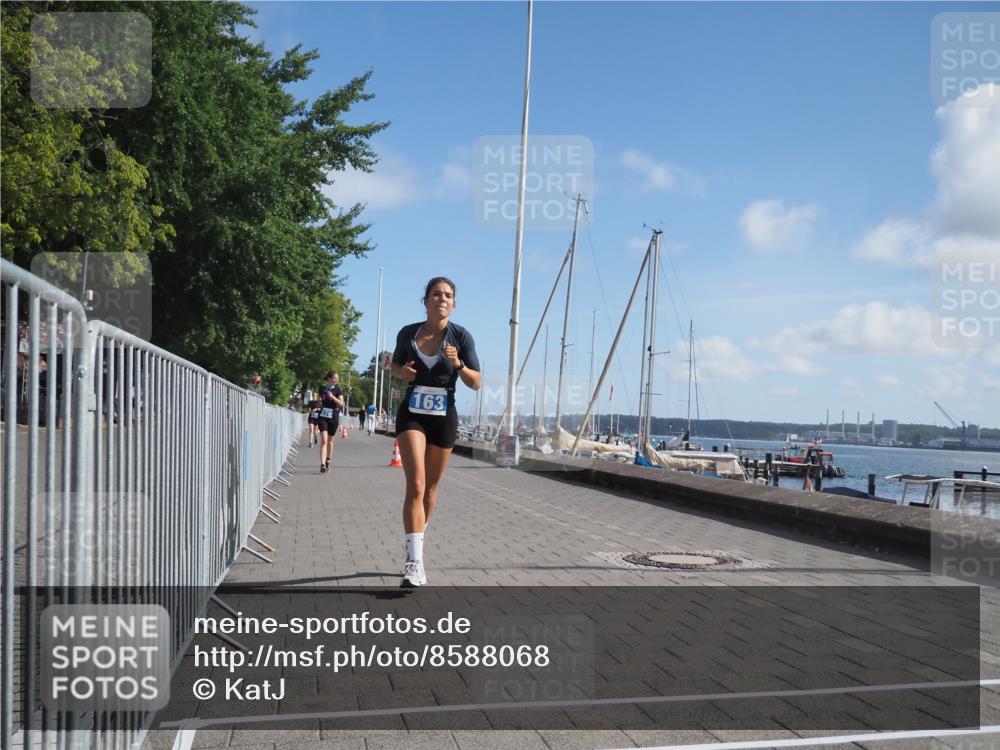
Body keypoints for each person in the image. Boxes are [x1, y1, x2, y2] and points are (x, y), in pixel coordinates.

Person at [390, 277, 480, 587]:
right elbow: (396, 367)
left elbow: (476, 382)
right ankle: (414, 563)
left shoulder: (461, 337)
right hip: (413, 413)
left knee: (429, 491)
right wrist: (402, 372)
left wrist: (458, 365)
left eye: (448, 295)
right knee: (415, 485)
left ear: (454, 304)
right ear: (425, 300)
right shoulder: (407, 333)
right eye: (436, 294)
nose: (442, 299)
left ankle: (417, 537)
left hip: (444, 416)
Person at [317, 371, 344, 473]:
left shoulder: (338, 389)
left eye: (337, 378)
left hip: (333, 416)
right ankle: (322, 464)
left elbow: (341, 403)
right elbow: (320, 401)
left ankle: (328, 460)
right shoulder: (322, 388)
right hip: (323, 416)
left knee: (330, 441)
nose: (336, 380)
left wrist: (332, 397)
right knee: (324, 440)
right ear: (329, 378)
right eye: (334, 378)